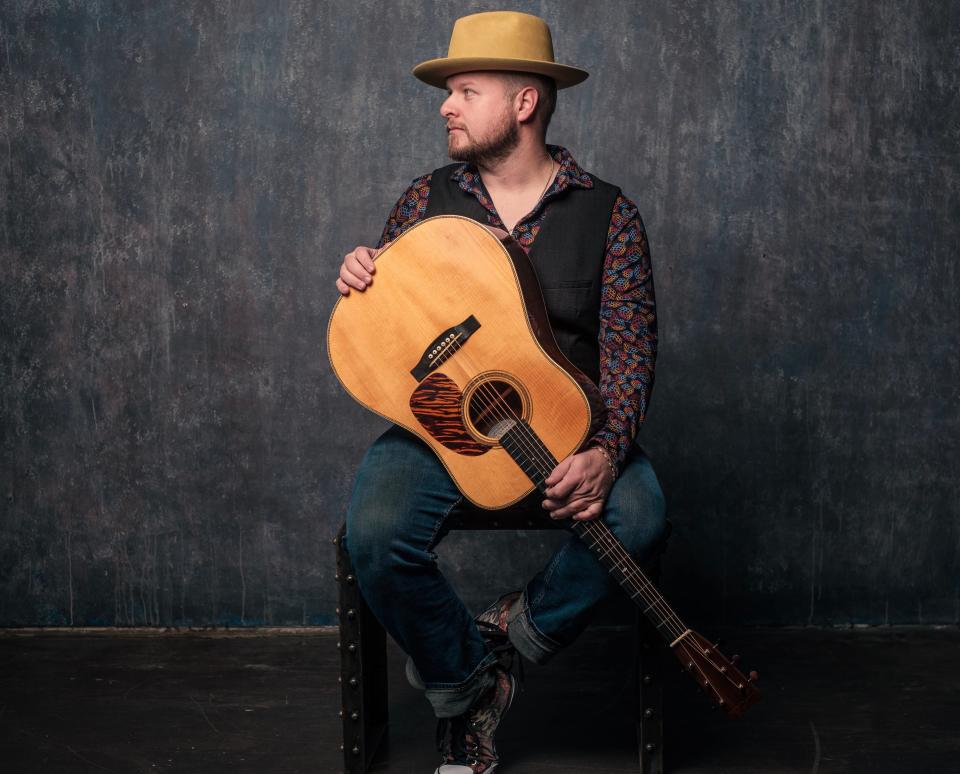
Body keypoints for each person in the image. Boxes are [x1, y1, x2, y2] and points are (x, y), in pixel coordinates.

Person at [336, 11, 667, 774]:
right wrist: (360, 275)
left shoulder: (610, 214)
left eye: (466, 91)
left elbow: (629, 355)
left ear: (524, 103)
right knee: (376, 533)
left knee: (643, 514)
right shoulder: (424, 199)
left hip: (563, 433)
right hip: (447, 433)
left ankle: (504, 640)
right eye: (448, 93)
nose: (445, 106)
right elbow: (386, 323)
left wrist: (608, 454)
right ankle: (465, 686)